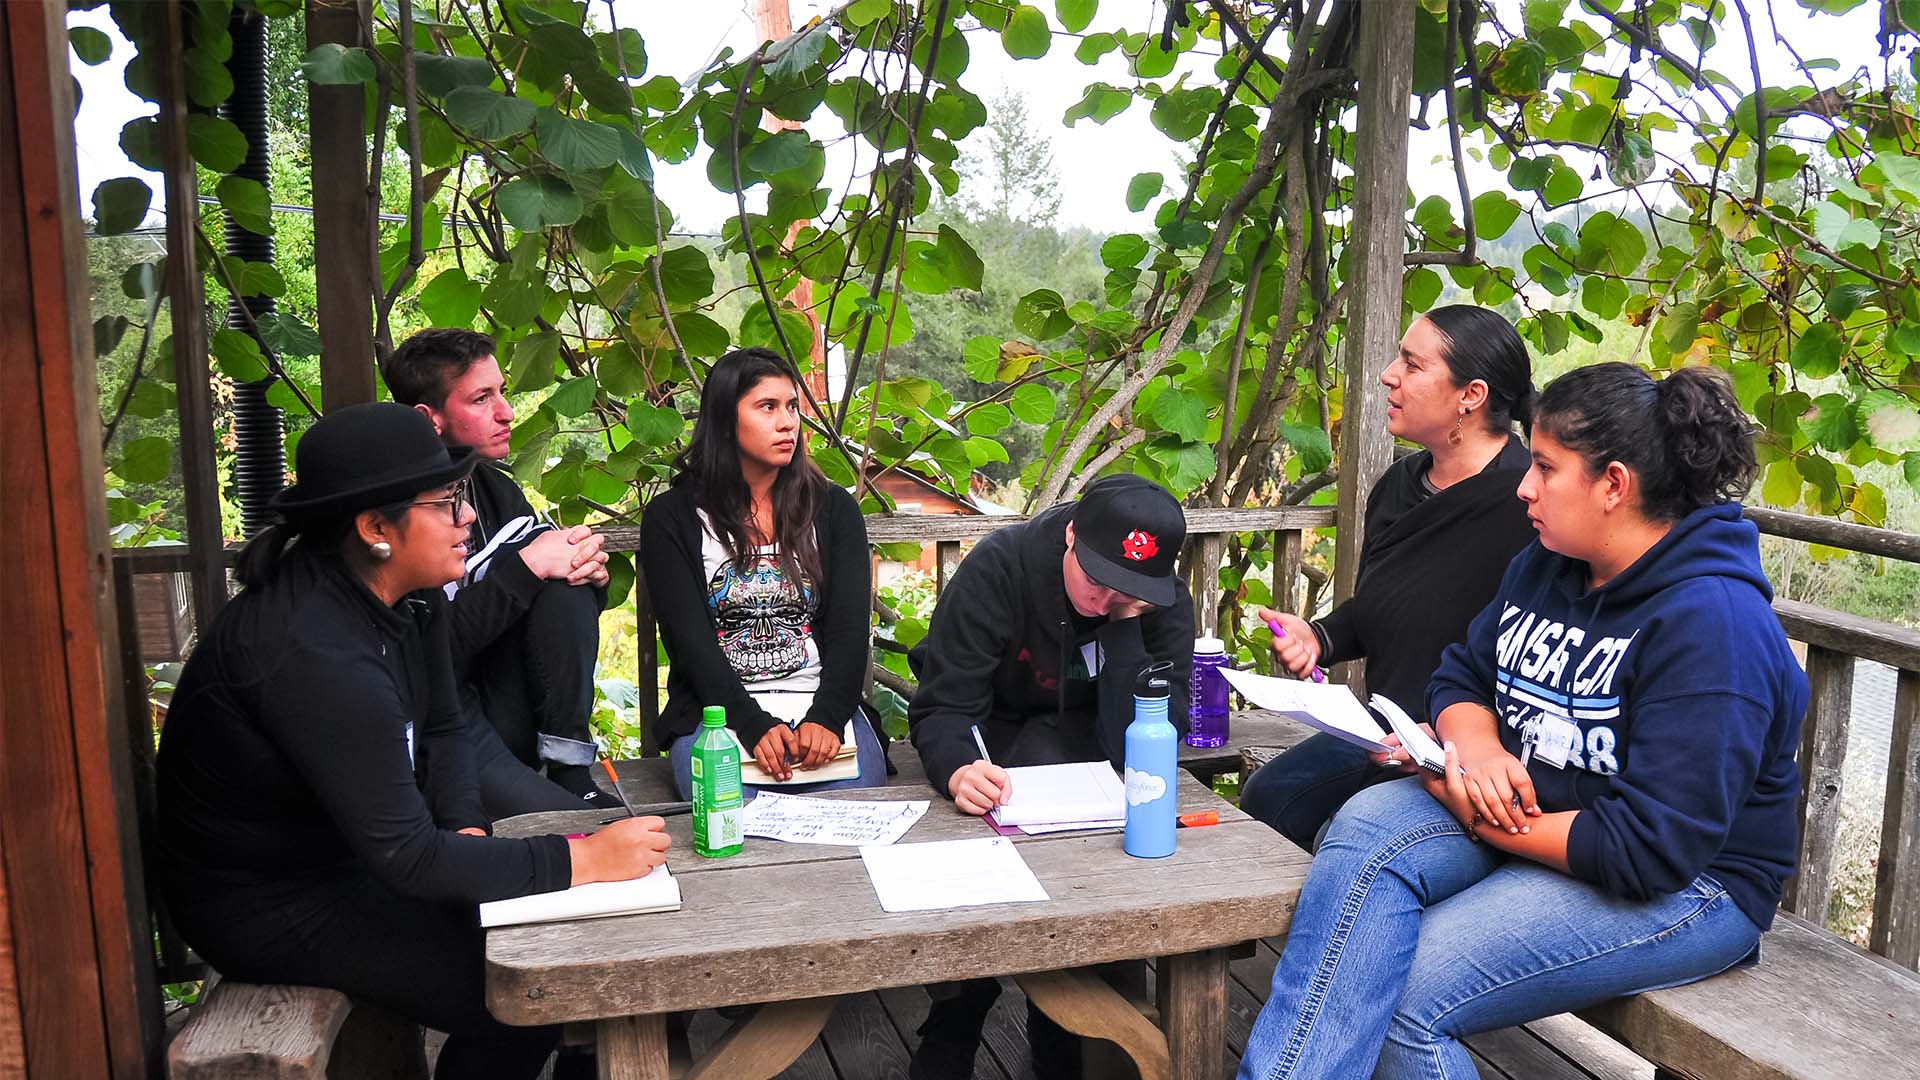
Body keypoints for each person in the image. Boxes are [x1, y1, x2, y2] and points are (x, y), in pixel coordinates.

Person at [1237, 363, 1806, 1080]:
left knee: (1406, 1001)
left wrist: (1468, 803)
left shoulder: (1713, 625)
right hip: (1536, 811)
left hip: (1688, 886)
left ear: (1614, 485)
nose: (1523, 487)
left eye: (1543, 467)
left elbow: (1653, 849)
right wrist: (1471, 746)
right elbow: (1462, 675)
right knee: (1366, 826)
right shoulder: (1547, 564)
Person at [155, 404, 671, 1080]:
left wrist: (465, 823)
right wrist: (584, 861)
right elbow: (407, 857)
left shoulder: (407, 595)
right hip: (268, 901)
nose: (467, 518)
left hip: (350, 852)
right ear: (375, 528)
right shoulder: (312, 651)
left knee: (573, 953)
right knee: (534, 989)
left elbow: (445, 727)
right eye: (447, 501)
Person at [905, 472, 1194, 1080]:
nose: (1101, 599)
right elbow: (943, 706)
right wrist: (959, 770)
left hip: (1099, 775)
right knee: (976, 867)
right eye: (1094, 579)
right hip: (998, 753)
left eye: (1126, 589)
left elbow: (1154, 729)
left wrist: (1124, 629)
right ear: (1069, 536)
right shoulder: (1000, 568)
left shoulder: (1153, 602)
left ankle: (1078, 1031)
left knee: (1125, 875)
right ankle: (960, 1013)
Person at [1243, 304, 1536, 851]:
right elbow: (1386, 605)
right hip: (1380, 728)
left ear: (1470, 396)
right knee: (1267, 797)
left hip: (1470, 748)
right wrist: (1320, 638)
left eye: (1412, 364)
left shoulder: (1528, 502)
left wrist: (1463, 736)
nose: (1388, 375)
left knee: (1334, 830)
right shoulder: (1399, 484)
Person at [640, 347, 887, 798]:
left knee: (855, 815)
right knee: (732, 820)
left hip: (822, 715)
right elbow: (690, 643)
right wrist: (751, 724)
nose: (788, 422)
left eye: (792, 406)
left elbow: (850, 629)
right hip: (718, 717)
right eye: (767, 407)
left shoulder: (833, 509)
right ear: (724, 419)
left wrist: (828, 718)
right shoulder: (673, 518)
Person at [382, 328, 613, 810]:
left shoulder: (494, 488)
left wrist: (588, 574)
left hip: (500, 703)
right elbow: (426, 651)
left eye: (502, 392)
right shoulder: (399, 507)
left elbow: (553, 593)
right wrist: (528, 567)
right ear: (431, 420)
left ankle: (569, 767)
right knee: (574, 829)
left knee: (565, 589)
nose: (506, 412)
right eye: (482, 398)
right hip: (432, 718)